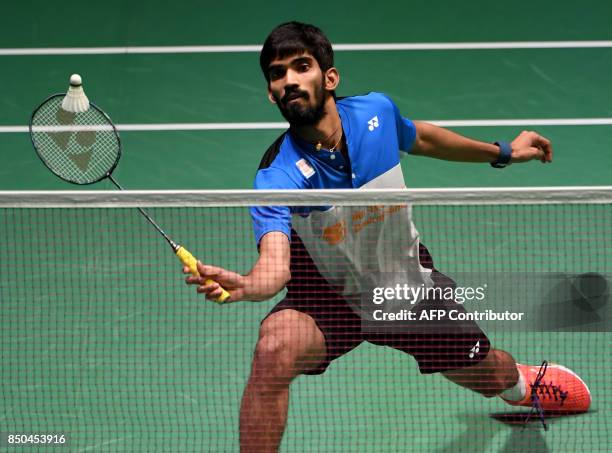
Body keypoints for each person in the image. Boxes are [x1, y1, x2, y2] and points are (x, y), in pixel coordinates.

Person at [185, 22, 591, 453]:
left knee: (490, 375)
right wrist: (249, 286)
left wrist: (503, 152)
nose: (288, 80)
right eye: (277, 73)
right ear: (271, 93)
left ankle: (522, 385)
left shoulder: (375, 114)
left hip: (406, 287)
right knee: (273, 352)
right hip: (328, 298)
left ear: (329, 77)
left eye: (301, 66)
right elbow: (275, 264)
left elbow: (424, 137)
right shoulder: (276, 176)